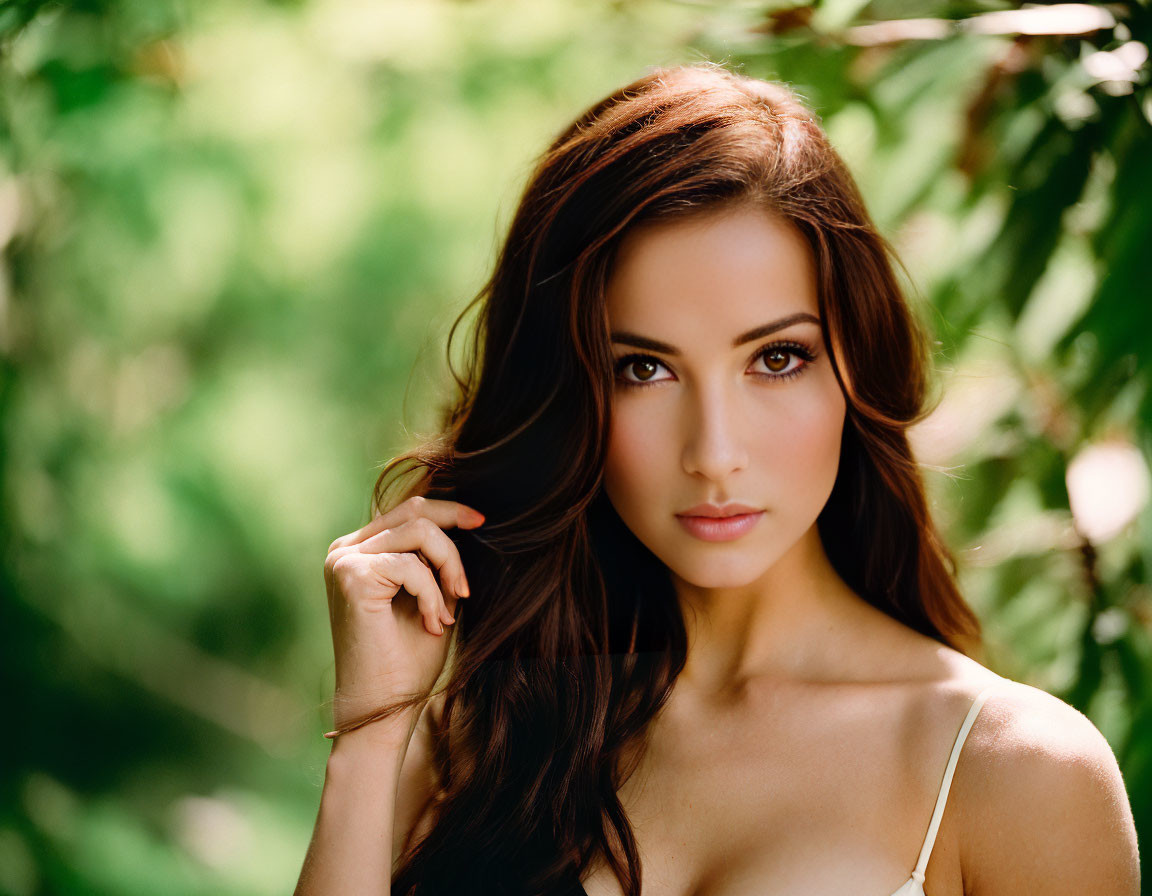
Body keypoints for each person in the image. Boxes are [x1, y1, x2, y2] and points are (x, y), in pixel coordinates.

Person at [294, 62, 1140, 896]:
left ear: (854, 367)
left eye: (776, 358)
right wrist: (370, 734)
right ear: (568, 396)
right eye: (642, 369)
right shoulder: (486, 740)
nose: (714, 451)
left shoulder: (1011, 769)